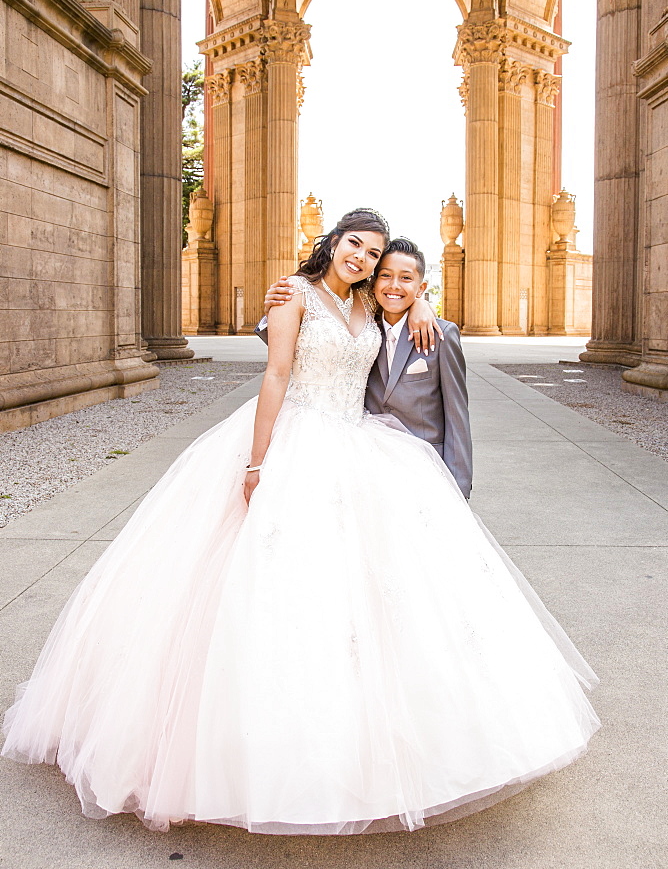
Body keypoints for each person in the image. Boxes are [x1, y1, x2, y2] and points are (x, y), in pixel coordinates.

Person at [2, 208, 600, 836]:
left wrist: (422, 305)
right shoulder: (294, 293)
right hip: (292, 441)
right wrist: (258, 460)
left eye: (374, 255)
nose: (364, 261)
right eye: (356, 247)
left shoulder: (372, 305)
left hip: (358, 443)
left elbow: (399, 309)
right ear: (333, 240)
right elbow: (277, 370)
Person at [258, 237, 472, 498]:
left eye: (406, 278)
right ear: (373, 282)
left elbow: (457, 414)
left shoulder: (440, 334)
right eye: (385, 276)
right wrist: (272, 306)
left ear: (421, 287)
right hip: (368, 456)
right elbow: (306, 347)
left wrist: (459, 485)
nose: (394, 285)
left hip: (425, 462)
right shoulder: (367, 329)